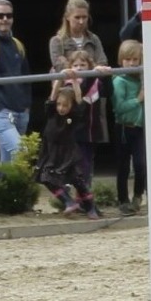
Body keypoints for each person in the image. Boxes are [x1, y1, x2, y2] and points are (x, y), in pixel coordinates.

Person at [36, 80, 101, 219]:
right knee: (46, 178)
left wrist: (76, 83)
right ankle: (68, 202)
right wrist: (60, 79)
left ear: (71, 106)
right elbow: (52, 97)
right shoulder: (52, 113)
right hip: (51, 151)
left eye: (65, 105)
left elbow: (79, 101)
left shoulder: (74, 116)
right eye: (59, 104)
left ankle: (90, 207)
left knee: (78, 181)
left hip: (67, 152)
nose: (61, 108)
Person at [61, 49, 112, 182]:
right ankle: (78, 193)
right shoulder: (68, 84)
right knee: (77, 164)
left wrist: (105, 75)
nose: (79, 68)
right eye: (75, 65)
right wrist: (95, 73)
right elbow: (81, 92)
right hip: (74, 131)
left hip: (91, 131)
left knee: (88, 163)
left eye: (83, 65)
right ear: (70, 67)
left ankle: (85, 192)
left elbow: (108, 92)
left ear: (89, 66)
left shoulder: (96, 82)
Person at [112, 39, 145, 216]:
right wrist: (138, 99)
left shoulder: (143, 77)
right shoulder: (119, 81)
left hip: (140, 127)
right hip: (124, 127)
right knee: (123, 166)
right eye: (128, 60)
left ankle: (138, 196)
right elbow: (119, 107)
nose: (132, 64)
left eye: (135, 60)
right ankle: (122, 199)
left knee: (141, 164)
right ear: (121, 60)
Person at [0, 0, 30, 163]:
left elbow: (27, 78)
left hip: (20, 112)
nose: (4, 19)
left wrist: (26, 106)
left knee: (8, 166)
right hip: (0, 113)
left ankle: (3, 190)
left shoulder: (18, 45)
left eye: (8, 15)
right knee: (21, 152)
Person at [48, 0, 109, 72]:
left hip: (91, 82)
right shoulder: (57, 41)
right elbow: (59, 68)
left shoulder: (93, 39)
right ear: (67, 17)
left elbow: (103, 64)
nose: (81, 21)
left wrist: (68, 63)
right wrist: (91, 64)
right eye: (77, 17)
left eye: (84, 17)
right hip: (68, 83)